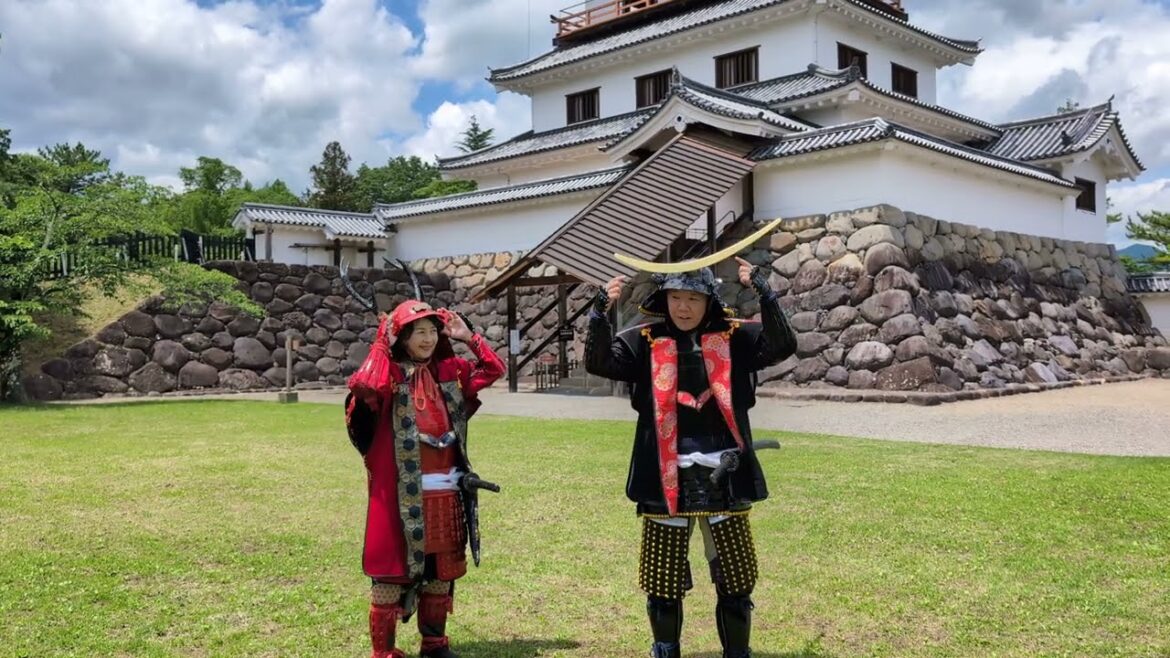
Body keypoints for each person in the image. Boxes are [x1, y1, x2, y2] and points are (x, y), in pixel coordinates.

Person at [584, 257, 797, 658]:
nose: (683, 307)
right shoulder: (643, 340)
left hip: (725, 472)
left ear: (709, 301)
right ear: (663, 300)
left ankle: (737, 652)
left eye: (693, 298)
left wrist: (764, 293)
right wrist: (599, 313)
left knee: (736, 579)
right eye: (675, 297)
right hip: (665, 476)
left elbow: (783, 345)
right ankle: (666, 649)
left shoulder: (734, 337)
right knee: (662, 581)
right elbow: (599, 362)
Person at [344, 299, 505, 658]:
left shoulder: (449, 373)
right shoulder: (387, 379)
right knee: (389, 578)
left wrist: (468, 337)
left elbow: (493, 369)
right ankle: (383, 652)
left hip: (445, 493)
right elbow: (363, 387)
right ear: (402, 337)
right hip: (400, 498)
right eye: (419, 332)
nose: (428, 338)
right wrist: (380, 343)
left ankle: (434, 644)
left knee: (439, 574)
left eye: (433, 331)